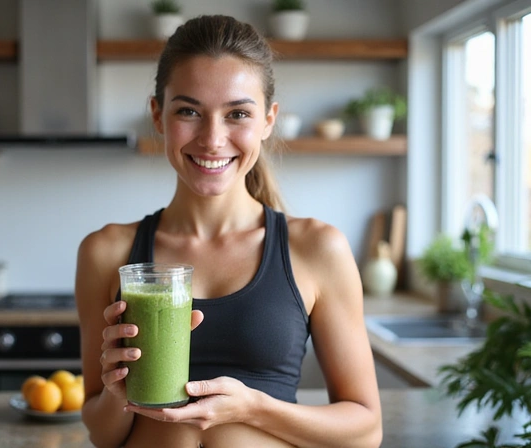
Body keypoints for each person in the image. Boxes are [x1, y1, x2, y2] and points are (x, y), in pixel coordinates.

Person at [75, 15, 382, 448]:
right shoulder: (106, 253)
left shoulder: (316, 249)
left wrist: (254, 408)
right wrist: (115, 391)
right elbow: (103, 435)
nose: (213, 139)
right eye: (189, 111)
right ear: (158, 115)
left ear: (269, 120)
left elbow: (365, 432)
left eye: (237, 113)